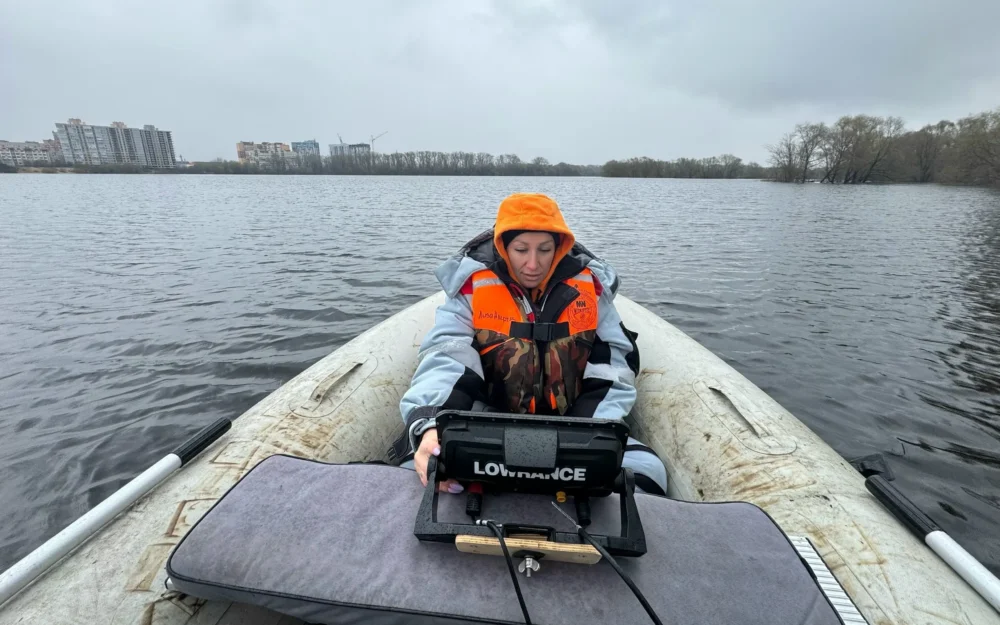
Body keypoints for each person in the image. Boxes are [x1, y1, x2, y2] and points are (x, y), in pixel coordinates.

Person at [393, 193, 667, 495]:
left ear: (560, 248)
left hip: (576, 424)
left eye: (545, 250)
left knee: (649, 470)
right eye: (521, 250)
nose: (533, 264)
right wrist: (432, 426)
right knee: (416, 469)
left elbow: (613, 368)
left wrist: (594, 434)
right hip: (487, 421)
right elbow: (447, 356)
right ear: (503, 247)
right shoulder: (471, 291)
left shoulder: (591, 292)